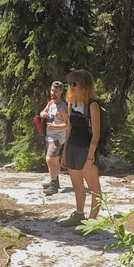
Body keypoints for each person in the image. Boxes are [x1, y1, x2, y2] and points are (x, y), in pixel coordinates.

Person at [56, 69, 103, 227]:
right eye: (69, 83)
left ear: (85, 85)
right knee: (77, 186)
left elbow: (95, 135)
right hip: (72, 148)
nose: (71, 86)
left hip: (87, 150)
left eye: (74, 83)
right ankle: (79, 214)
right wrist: (64, 152)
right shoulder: (71, 103)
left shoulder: (93, 105)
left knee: (94, 189)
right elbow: (69, 128)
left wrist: (89, 159)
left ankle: (92, 223)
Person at [39, 80, 68, 195]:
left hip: (57, 137)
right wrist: (42, 114)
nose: (53, 93)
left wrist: (55, 125)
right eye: (52, 90)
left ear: (61, 92)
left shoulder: (62, 107)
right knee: (54, 160)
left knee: (50, 158)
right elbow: (43, 111)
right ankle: (55, 181)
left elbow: (68, 124)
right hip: (49, 136)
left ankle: (53, 185)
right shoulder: (51, 103)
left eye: (55, 91)